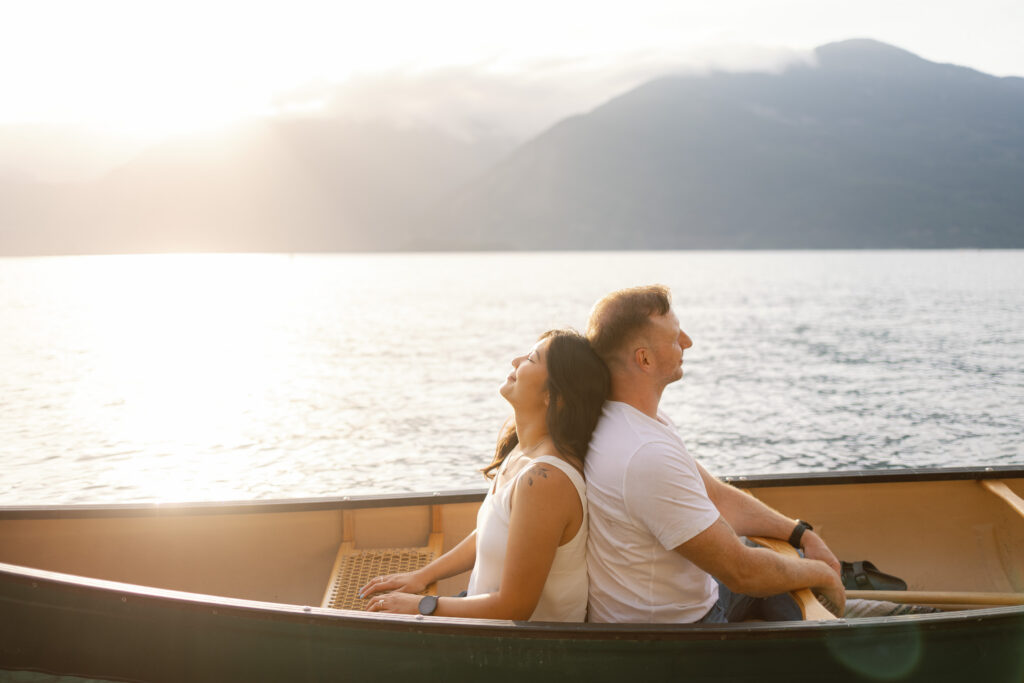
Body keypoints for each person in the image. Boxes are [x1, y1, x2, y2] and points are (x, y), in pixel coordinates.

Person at [583, 285, 846, 624]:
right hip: (674, 631)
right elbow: (741, 573)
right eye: (676, 336)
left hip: (664, 604)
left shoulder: (628, 419)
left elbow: (718, 497)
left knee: (775, 559)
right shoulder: (644, 454)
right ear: (644, 358)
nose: (688, 342)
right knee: (772, 571)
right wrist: (822, 576)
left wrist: (801, 535)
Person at [360, 329, 610, 621]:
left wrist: (422, 605)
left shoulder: (546, 480)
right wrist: (422, 576)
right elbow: (496, 531)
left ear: (554, 396)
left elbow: (515, 608)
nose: (516, 361)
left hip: (525, 652)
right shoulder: (523, 452)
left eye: (531, 358)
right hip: (487, 628)